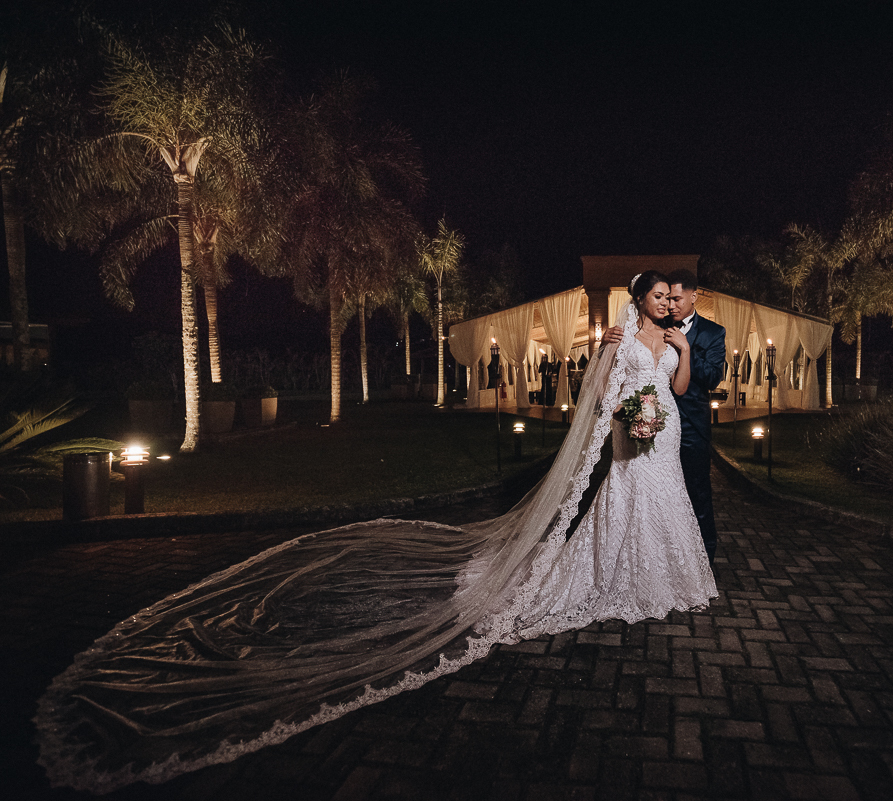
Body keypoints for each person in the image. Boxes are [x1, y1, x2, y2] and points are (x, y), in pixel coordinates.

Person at [35, 272, 717, 794]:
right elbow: (599, 397)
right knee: (625, 505)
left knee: (669, 508)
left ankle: (671, 575)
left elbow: (683, 387)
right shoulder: (618, 339)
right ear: (639, 299)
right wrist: (630, 413)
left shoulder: (671, 339)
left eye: (668, 296)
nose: (663, 301)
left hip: (669, 432)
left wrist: (679, 354)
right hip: (635, 440)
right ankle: (610, 574)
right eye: (656, 295)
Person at [601, 269, 726, 561]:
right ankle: (638, 557)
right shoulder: (638, 331)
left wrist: (685, 349)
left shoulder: (700, 333)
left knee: (689, 492)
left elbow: (700, 381)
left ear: (693, 297)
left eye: (673, 298)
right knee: (638, 487)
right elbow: (608, 377)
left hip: (685, 426)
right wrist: (603, 344)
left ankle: (699, 559)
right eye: (663, 298)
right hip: (636, 421)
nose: (669, 305)